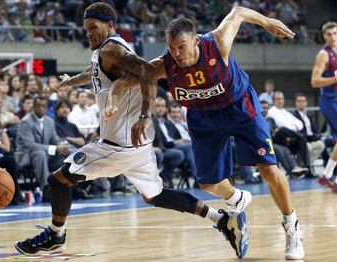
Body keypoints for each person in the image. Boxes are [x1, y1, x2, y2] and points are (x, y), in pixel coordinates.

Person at [15, 2, 248, 259]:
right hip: (137, 145)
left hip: (119, 145)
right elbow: (94, 72)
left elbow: (148, 71)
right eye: (85, 29)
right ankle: (222, 219)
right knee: (156, 195)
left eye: (93, 27)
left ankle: (56, 235)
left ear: (110, 26)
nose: (88, 33)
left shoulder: (113, 49)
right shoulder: (103, 51)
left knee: (58, 180)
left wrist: (145, 115)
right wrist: (70, 82)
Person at [107, 8, 304, 260]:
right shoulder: (164, 65)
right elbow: (122, 82)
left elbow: (238, 12)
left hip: (240, 108)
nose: (176, 53)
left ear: (196, 40)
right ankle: (236, 199)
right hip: (203, 117)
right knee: (208, 183)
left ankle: (291, 226)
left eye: (181, 46)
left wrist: (266, 22)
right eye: (171, 47)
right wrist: (113, 100)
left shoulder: (217, 42)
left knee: (267, 169)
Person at [310, 21, 337, 190]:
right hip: (328, 100)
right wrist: (335, 79)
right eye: (329, 34)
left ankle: (332, 180)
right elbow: (314, 81)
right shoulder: (323, 55)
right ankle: (327, 175)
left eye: (335, 33)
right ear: (324, 35)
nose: (332, 37)